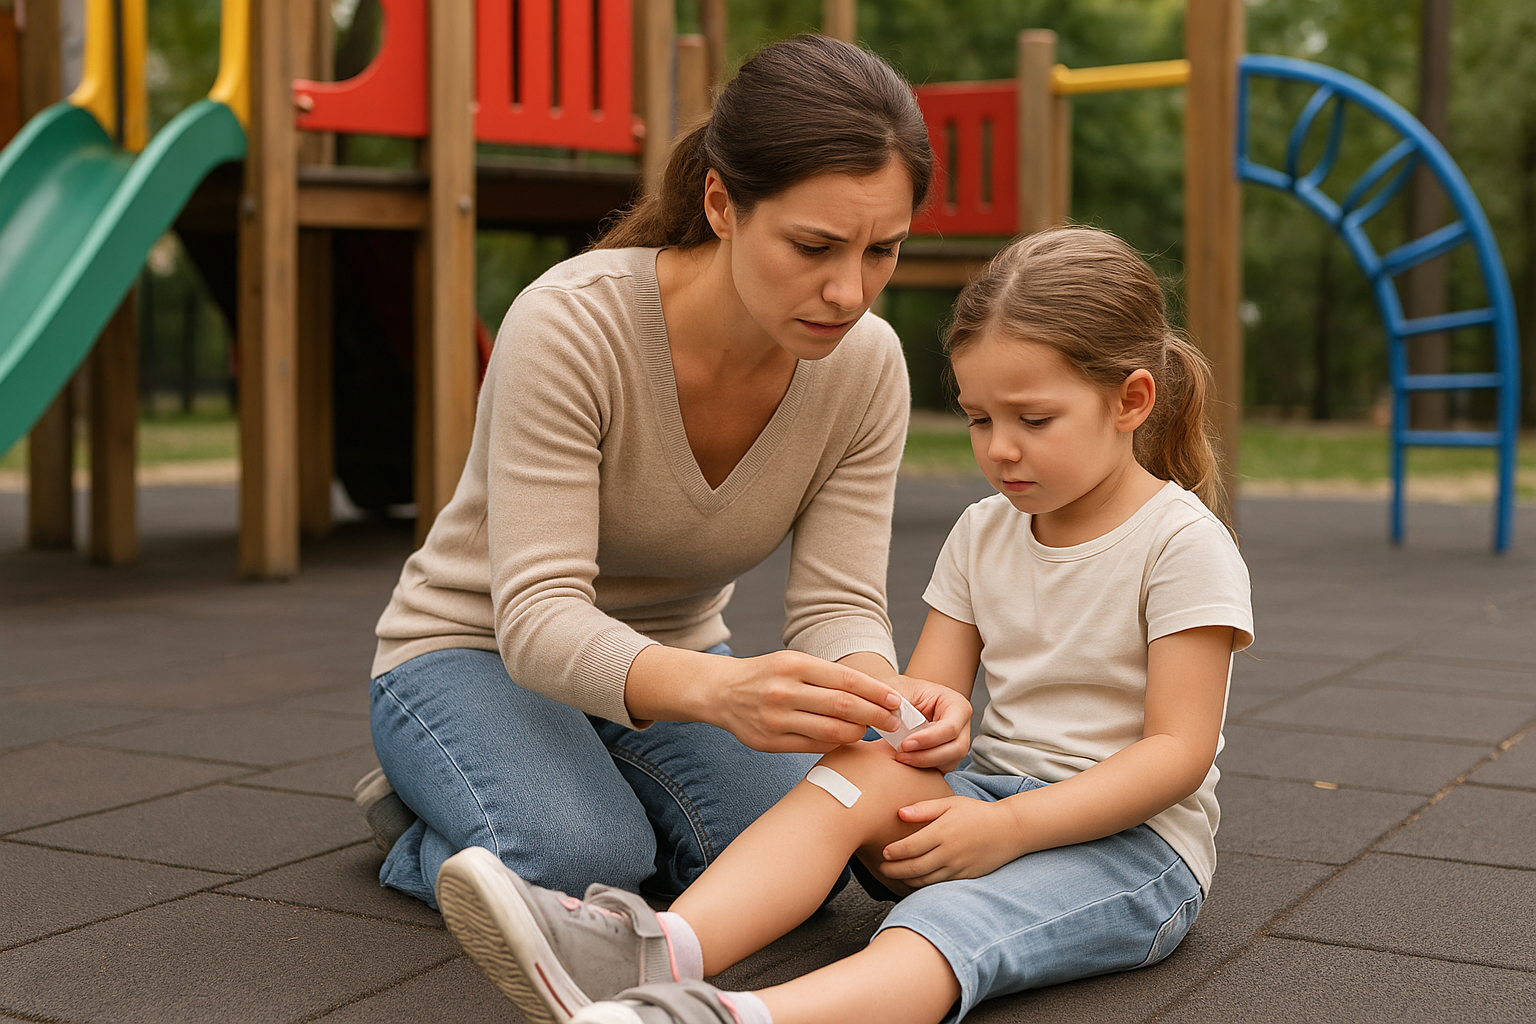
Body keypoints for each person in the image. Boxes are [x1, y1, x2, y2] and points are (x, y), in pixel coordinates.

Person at [431, 226, 1256, 1024]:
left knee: (942, 931)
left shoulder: (1179, 544)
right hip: (993, 798)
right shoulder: (984, 531)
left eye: (1033, 421)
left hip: (1133, 849)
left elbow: (1176, 756)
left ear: (1131, 401)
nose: (1001, 450)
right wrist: (920, 724)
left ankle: (732, 1017)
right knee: (860, 765)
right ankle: (656, 952)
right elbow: (921, 703)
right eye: (978, 419)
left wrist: (1007, 828)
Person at [356, 34, 964, 910]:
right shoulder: (572, 324)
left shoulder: (865, 366)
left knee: (809, 858)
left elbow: (837, 605)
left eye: (881, 252)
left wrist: (883, 699)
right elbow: (537, 618)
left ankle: (577, 781)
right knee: (582, 861)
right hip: (476, 653)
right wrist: (725, 692)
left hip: (677, 662)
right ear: (722, 203)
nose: (849, 292)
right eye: (814, 246)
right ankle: (427, 815)